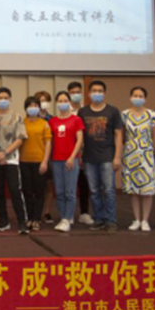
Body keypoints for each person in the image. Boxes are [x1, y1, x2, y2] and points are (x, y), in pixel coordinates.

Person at [78, 80, 124, 232]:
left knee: (109, 190)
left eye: (100, 91)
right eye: (94, 91)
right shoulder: (83, 112)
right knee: (94, 190)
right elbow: (79, 136)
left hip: (107, 157)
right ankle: (99, 218)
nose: (97, 93)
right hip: (89, 158)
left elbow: (118, 135)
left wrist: (117, 157)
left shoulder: (113, 111)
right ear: (89, 93)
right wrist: (80, 155)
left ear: (104, 93)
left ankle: (111, 220)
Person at [122, 87, 155, 232]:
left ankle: (145, 220)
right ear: (130, 97)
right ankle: (137, 219)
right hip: (130, 154)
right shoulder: (124, 115)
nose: (137, 98)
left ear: (145, 98)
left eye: (140, 96)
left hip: (146, 155)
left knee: (147, 190)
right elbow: (122, 136)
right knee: (134, 190)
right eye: (135, 95)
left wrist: (149, 149)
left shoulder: (152, 115)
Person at [0, 87, 29, 234]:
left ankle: (22, 221)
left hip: (11, 160)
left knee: (15, 190)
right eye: (0, 98)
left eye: (6, 98)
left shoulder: (17, 117)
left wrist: (5, 153)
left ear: (10, 99)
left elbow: (20, 139)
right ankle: (3, 220)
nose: (3, 100)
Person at [49, 91, 85, 233]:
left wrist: (72, 157)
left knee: (70, 192)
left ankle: (67, 218)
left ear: (69, 102)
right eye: (60, 101)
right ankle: (64, 216)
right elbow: (50, 142)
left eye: (65, 101)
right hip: (56, 160)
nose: (62, 103)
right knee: (59, 191)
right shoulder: (52, 121)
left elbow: (79, 140)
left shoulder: (76, 120)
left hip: (71, 159)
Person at [19, 96, 52, 232]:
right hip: (24, 161)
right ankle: (29, 218)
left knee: (39, 191)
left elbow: (48, 143)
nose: (33, 108)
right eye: (30, 106)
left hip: (40, 161)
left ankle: (37, 219)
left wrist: (45, 161)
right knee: (27, 191)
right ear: (26, 108)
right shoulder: (21, 123)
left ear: (39, 108)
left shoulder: (44, 124)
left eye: (35, 106)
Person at [68, 81, 94, 226]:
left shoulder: (86, 111)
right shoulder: (64, 110)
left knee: (84, 184)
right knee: (69, 185)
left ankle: (84, 213)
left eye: (78, 92)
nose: (75, 95)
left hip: (85, 152)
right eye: (73, 92)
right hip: (69, 153)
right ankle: (68, 214)